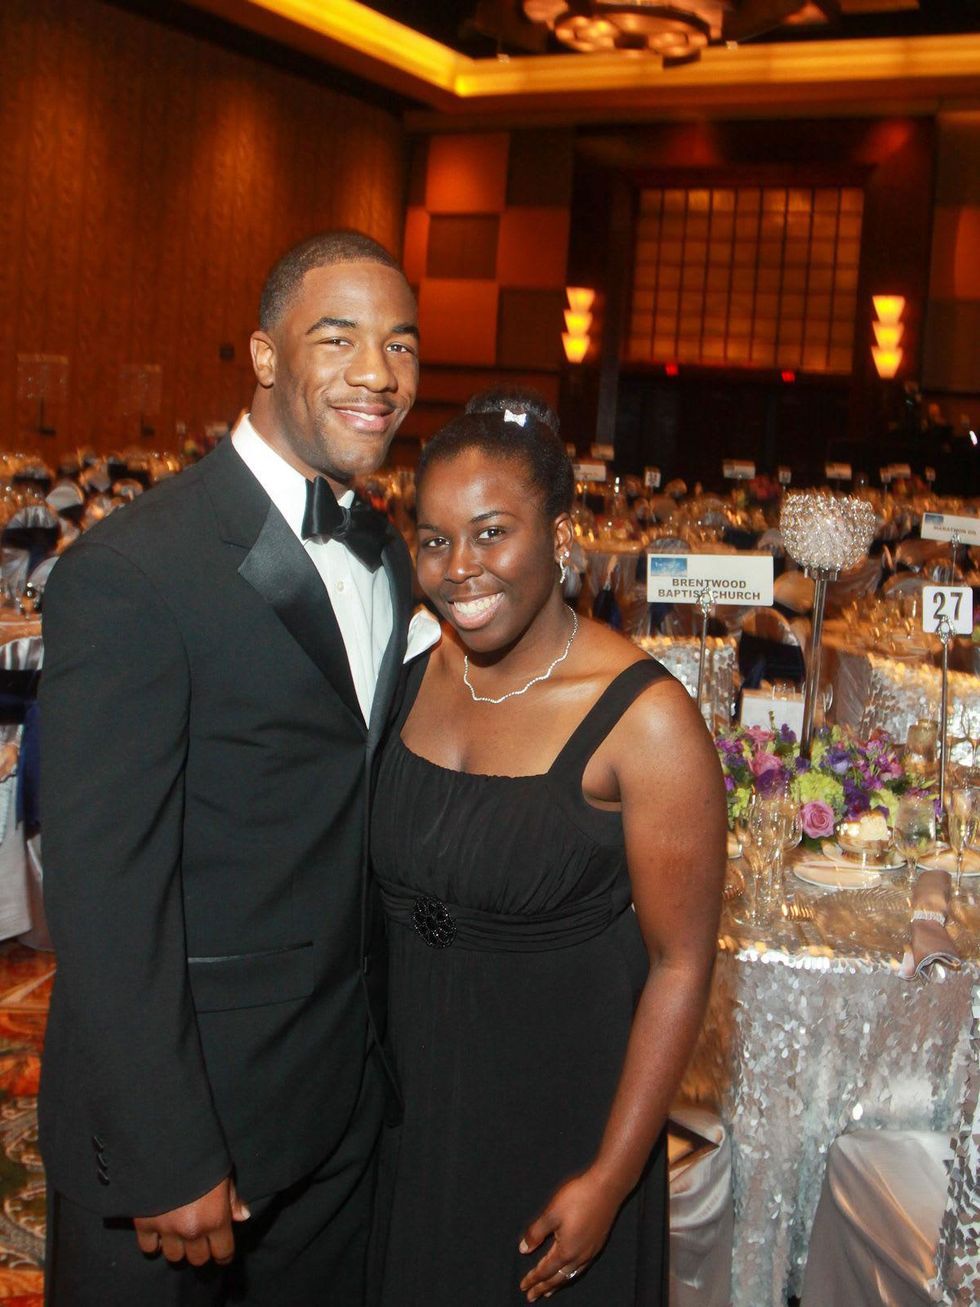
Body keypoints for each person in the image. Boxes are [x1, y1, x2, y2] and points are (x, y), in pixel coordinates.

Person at [39, 229, 421, 1305]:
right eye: (336, 336)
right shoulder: (131, 571)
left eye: (400, 344)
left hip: (337, 1099)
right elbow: (106, 893)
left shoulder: (386, 550)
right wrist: (167, 1148)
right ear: (263, 356)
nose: (377, 373)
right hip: (189, 1122)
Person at [370, 411, 727, 1304]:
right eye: (437, 539)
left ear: (562, 536)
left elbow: (681, 966)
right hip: (401, 1121)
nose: (461, 567)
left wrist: (611, 1174)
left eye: (492, 533)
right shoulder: (409, 666)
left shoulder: (646, 720)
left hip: (557, 1134)